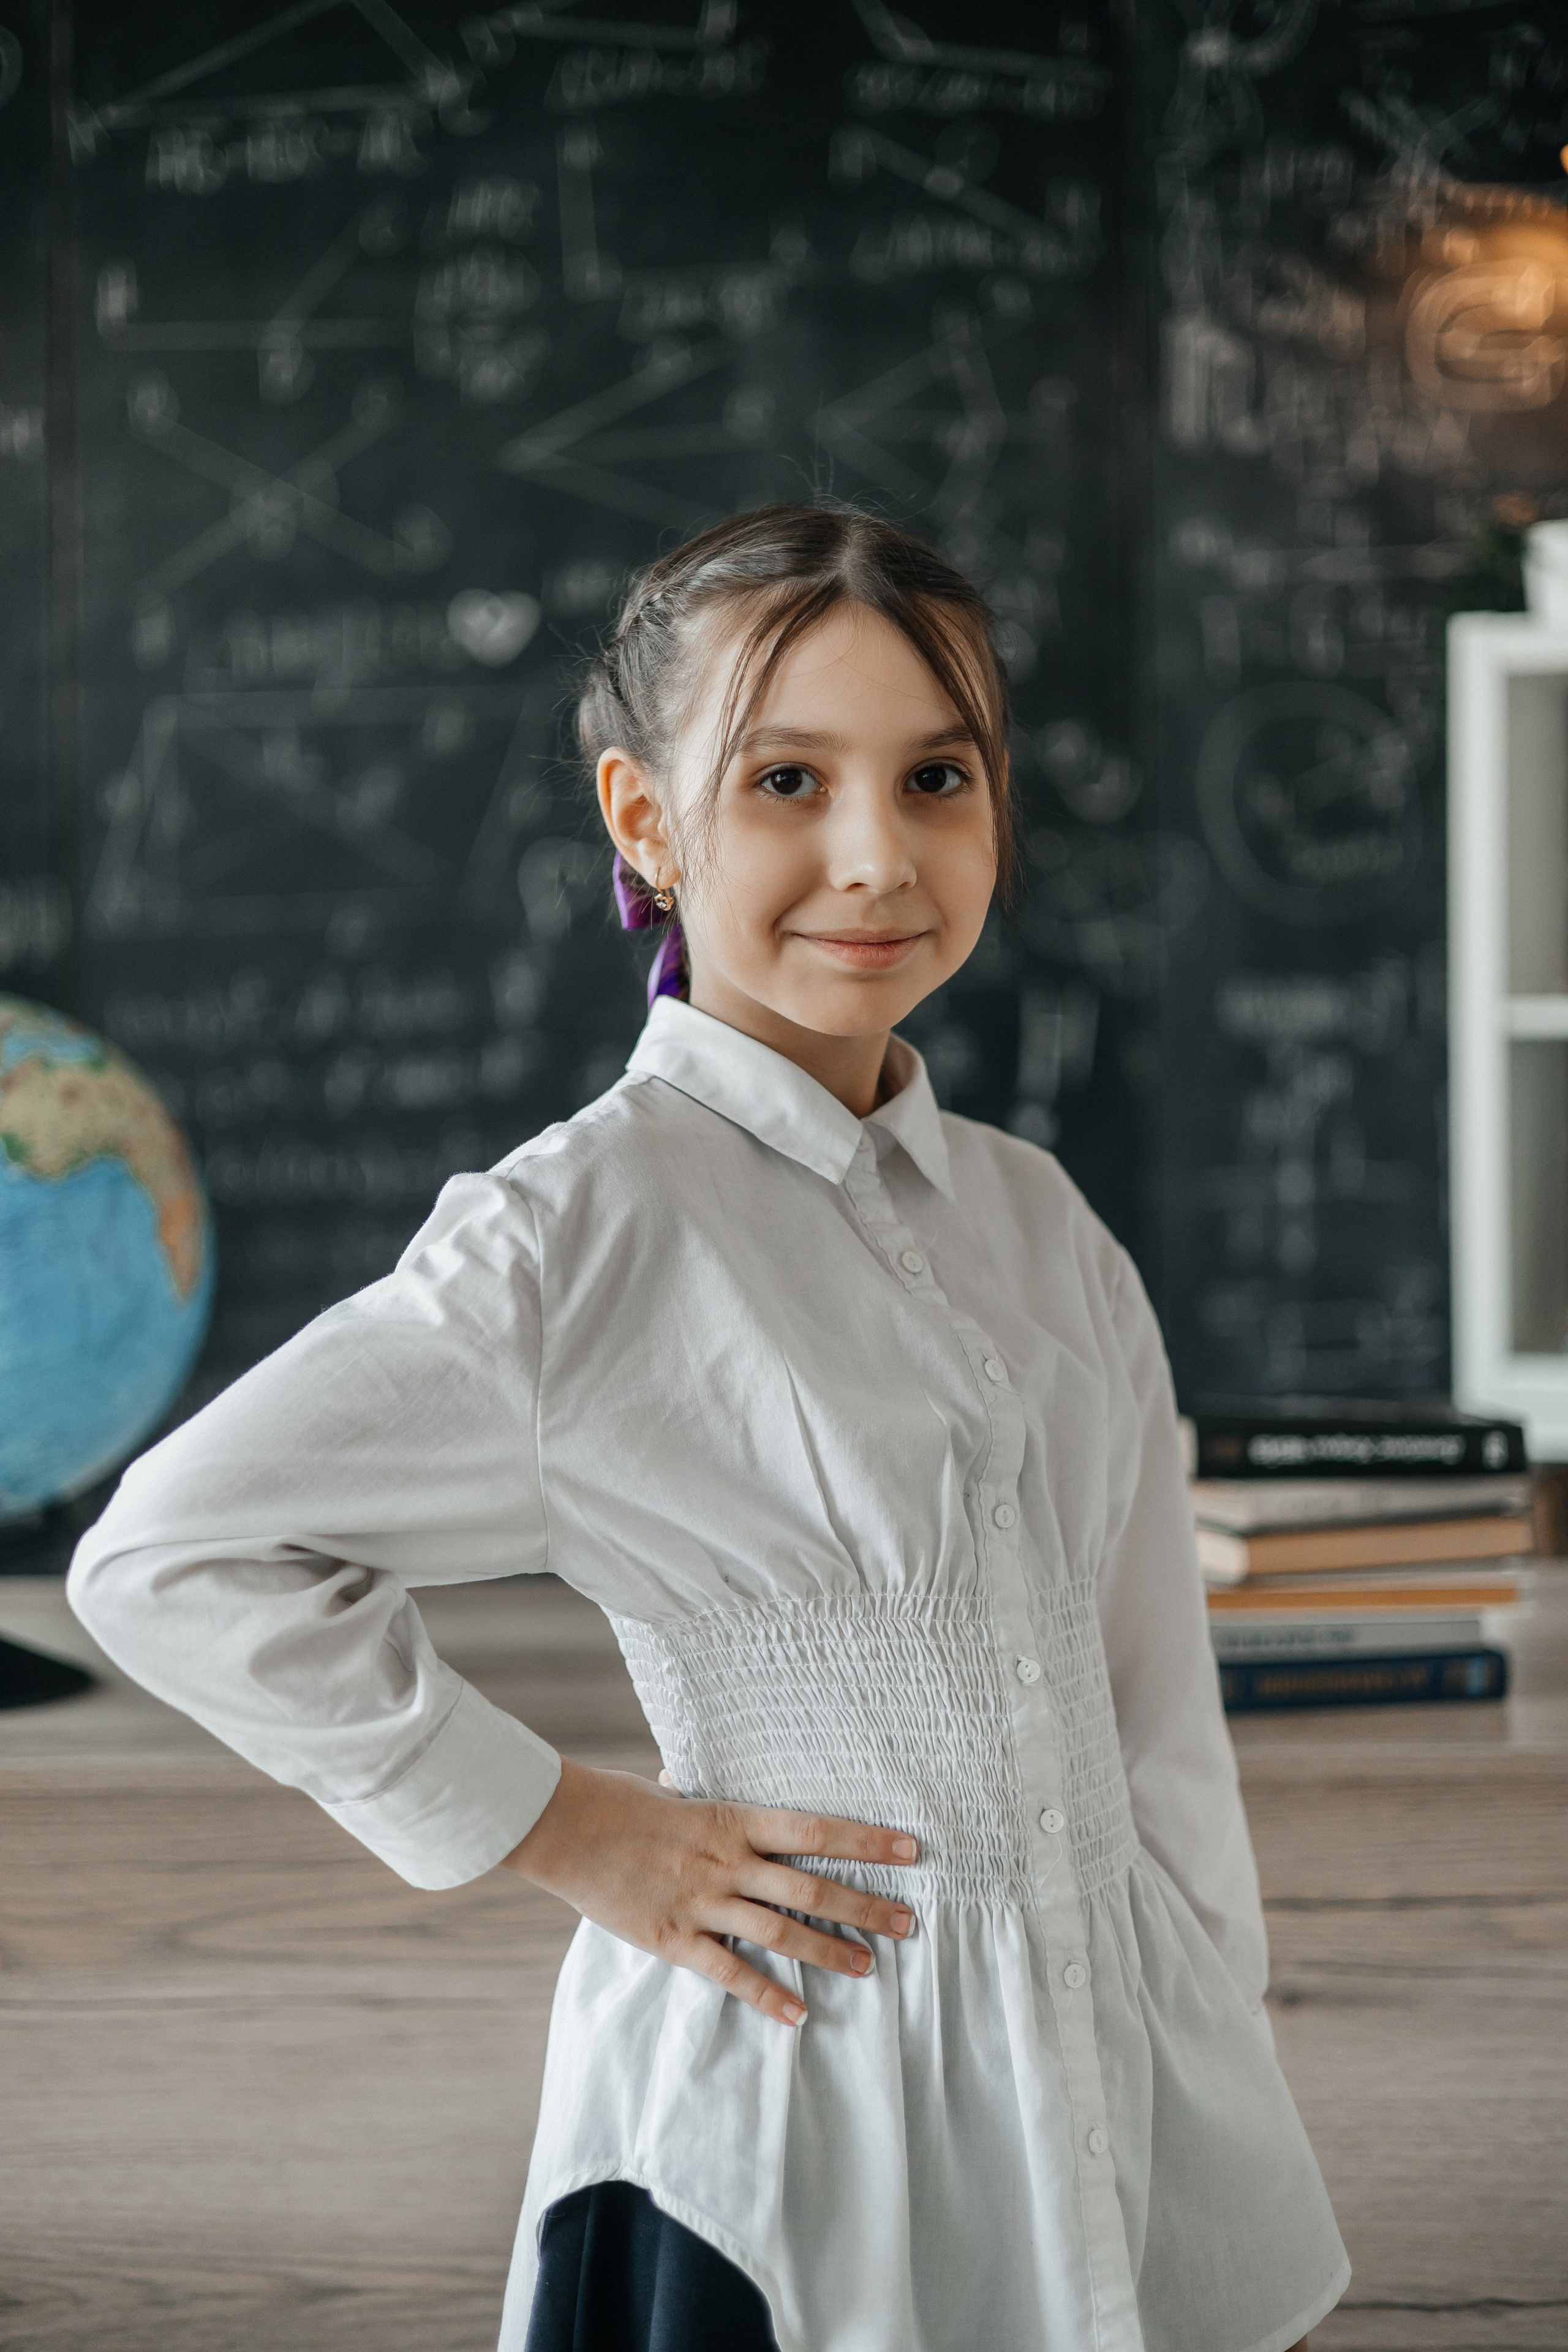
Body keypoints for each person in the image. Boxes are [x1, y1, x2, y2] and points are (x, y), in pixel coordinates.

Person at [69, 503, 1348, 2352]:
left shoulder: (1042, 1227)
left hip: (1109, 2072)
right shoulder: (576, 1236)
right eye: (784, 781)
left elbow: (1157, 1722)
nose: (874, 855)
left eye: (935, 777)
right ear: (647, 824)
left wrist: (1214, 2099)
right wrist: (574, 1828)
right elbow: (167, 1553)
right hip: (796, 2106)